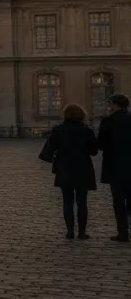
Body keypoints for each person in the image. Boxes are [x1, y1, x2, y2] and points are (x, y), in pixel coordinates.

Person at [40, 103, 98, 240]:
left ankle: (70, 231)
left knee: (67, 201)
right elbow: (94, 152)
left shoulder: (58, 130)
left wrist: (55, 157)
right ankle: (82, 232)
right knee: (82, 201)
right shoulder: (86, 130)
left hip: (65, 168)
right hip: (83, 168)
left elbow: (47, 151)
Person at [96, 93, 131, 242]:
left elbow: (101, 145)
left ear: (115, 105)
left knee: (118, 201)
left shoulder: (108, 121)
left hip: (114, 166)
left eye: (110, 104)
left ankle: (123, 233)